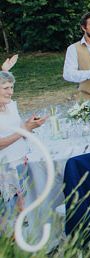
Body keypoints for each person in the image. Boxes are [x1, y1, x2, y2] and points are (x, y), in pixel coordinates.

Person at [0, 68, 46, 220]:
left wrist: (29, 125)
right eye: (6, 88)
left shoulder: (11, 105)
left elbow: (19, 129)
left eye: (12, 87)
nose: (10, 92)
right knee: (9, 211)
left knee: (25, 206)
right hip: (5, 168)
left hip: (21, 161)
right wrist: (24, 130)